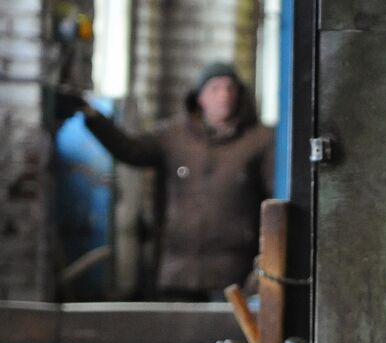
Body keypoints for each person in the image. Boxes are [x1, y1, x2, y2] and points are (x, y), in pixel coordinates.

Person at [60, 63, 274, 299]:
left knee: (228, 333)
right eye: (215, 88)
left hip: (233, 270)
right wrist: (94, 118)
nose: (224, 96)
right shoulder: (174, 136)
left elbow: (275, 195)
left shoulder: (258, 140)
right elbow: (131, 150)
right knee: (178, 332)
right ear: (199, 97)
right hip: (177, 270)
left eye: (230, 89)